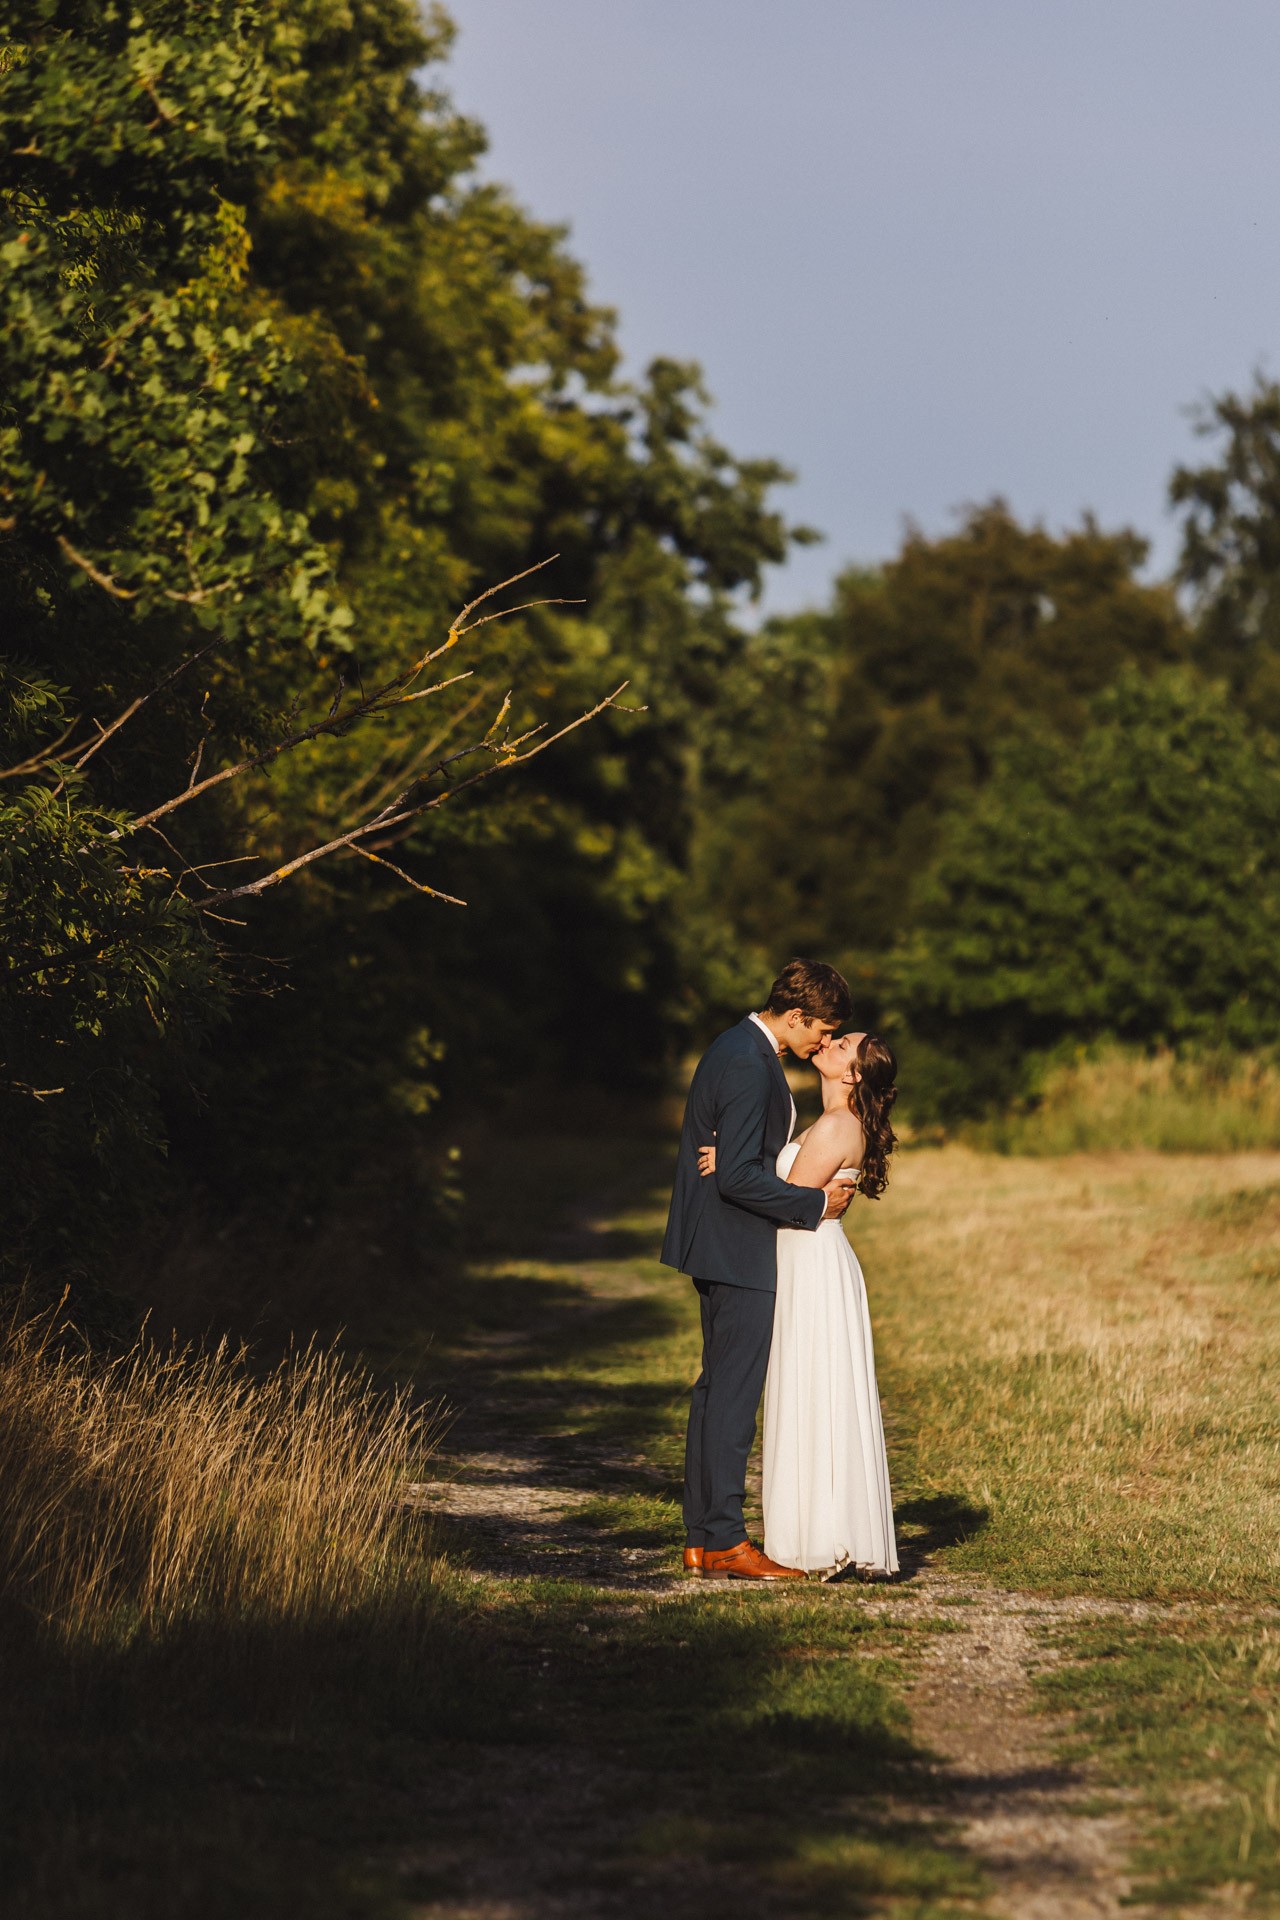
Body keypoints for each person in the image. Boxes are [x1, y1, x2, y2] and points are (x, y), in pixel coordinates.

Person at [661, 959, 856, 1582]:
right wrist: (812, 1203)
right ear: (795, 1015)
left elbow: (741, 1159)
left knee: (716, 1391)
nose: (822, 1042)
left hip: (720, 1242)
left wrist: (755, 1160)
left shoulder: (740, 1046)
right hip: (737, 1246)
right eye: (821, 1030)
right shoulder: (750, 1061)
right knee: (732, 1397)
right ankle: (724, 1540)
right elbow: (740, 1177)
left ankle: (702, 1538)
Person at [701, 1031, 900, 1579]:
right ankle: (822, 1528)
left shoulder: (838, 1125)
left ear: (853, 1075)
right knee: (816, 1389)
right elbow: (789, 1187)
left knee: (812, 1388)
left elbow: (787, 1199)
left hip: (809, 1261)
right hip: (812, 1258)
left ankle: (818, 1537)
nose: (830, 1042)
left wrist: (731, 1166)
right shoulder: (834, 1121)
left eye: (844, 1046)